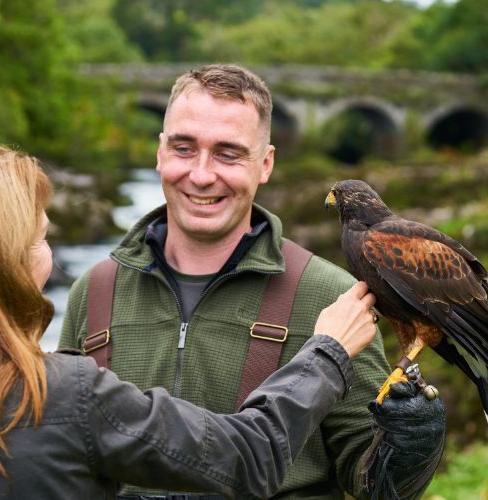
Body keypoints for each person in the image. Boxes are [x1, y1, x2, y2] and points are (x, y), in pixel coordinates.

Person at [0, 140, 384, 499]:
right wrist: (327, 352)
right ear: (2, 262)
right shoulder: (61, 396)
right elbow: (249, 455)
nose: (49, 257)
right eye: (41, 239)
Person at [59, 64, 446, 499]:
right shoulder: (92, 292)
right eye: (185, 148)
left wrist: (412, 441)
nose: (202, 175)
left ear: (265, 164)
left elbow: (377, 482)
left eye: (228, 154)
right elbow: (66, 463)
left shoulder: (333, 297)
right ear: (160, 153)